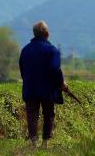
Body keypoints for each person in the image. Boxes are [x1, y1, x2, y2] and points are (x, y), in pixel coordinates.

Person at [19, 20, 67, 148]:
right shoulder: (52, 51)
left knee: (32, 115)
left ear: (34, 34)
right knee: (48, 114)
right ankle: (45, 143)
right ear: (47, 33)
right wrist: (62, 83)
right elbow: (55, 69)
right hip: (48, 89)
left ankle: (33, 142)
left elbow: (23, 71)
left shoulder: (25, 50)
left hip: (31, 88)